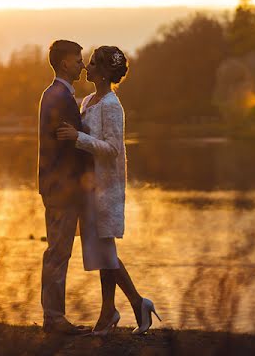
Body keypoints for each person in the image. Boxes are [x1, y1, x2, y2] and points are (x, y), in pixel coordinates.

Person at [57, 46, 160, 335]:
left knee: (104, 252)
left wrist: (78, 138)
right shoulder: (89, 99)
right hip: (87, 186)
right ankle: (111, 311)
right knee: (102, 252)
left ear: (102, 72)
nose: (86, 68)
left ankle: (134, 304)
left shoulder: (113, 106)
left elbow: (113, 150)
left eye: (91, 64)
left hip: (104, 189)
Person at [37, 39, 92, 335]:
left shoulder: (55, 94)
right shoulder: (60, 97)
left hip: (56, 184)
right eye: (78, 59)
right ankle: (54, 318)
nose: (82, 65)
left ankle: (53, 316)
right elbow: (70, 143)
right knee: (58, 252)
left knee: (57, 251)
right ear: (63, 64)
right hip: (62, 186)